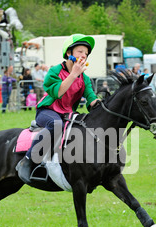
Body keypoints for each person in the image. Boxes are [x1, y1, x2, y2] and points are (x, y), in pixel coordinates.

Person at [17, 33, 99, 183]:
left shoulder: (85, 79)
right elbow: (59, 92)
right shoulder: (54, 71)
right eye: (80, 51)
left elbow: (91, 98)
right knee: (56, 124)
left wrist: (99, 103)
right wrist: (74, 74)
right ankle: (27, 160)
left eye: (86, 54)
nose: (84, 56)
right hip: (47, 111)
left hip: (68, 114)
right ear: (69, 53)